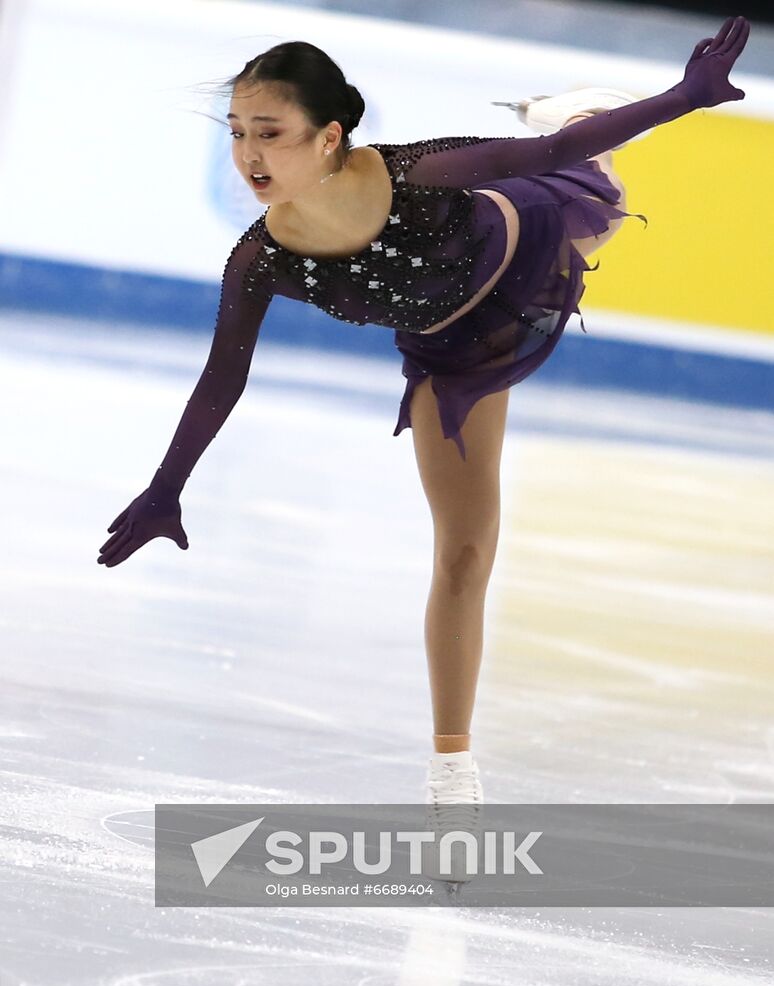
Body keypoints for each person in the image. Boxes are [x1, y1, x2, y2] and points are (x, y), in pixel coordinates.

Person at [96, 20, 750, 818]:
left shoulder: (417, 172)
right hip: (455, 352)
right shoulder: (262, 257)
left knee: (594, 185)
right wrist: (166, 488)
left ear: (330, 136)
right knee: (466, 553)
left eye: (269, 133)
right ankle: (452, 774)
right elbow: (221, 378)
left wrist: (683, 98)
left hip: (529, 244)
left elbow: (533, 164)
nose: (249, 154)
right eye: (238, 133)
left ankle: (572, 113)